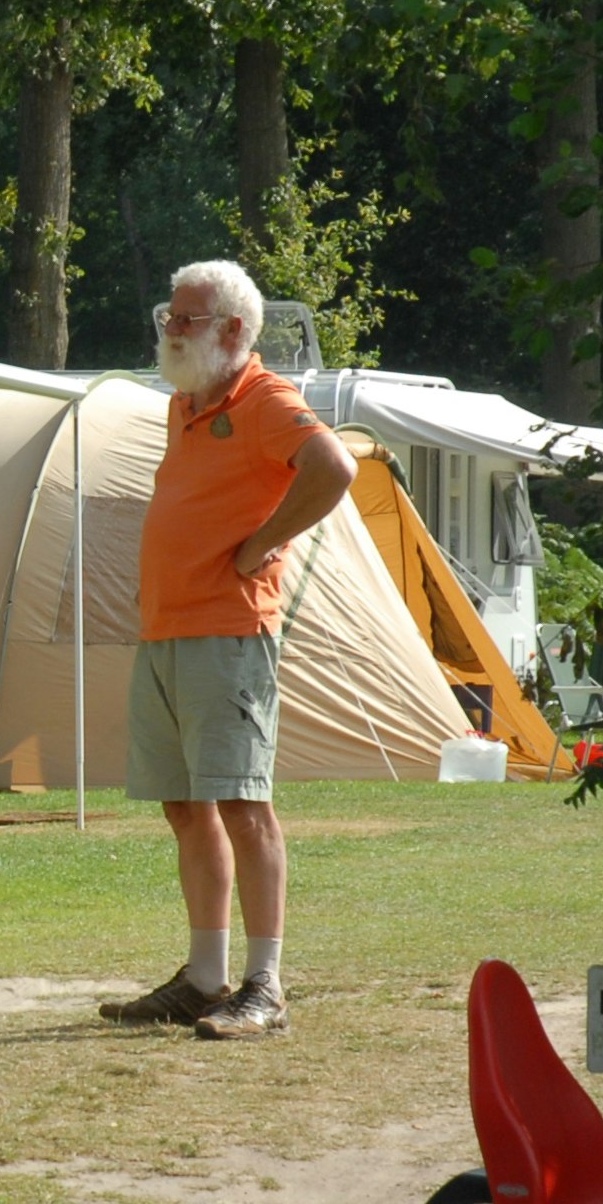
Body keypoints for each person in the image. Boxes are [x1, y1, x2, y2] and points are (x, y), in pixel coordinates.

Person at [97, 261, 356, 1042]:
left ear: (235, 331)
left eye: (186, 319)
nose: (169, 329)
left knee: (244, 803)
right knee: (185, 806)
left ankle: (264, 985)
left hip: (229, 632)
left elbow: (335, 467)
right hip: (167, 632)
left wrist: (264, 544)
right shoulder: (187, 403)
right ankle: (204, 978)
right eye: (168, 315)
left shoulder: (265, 398)